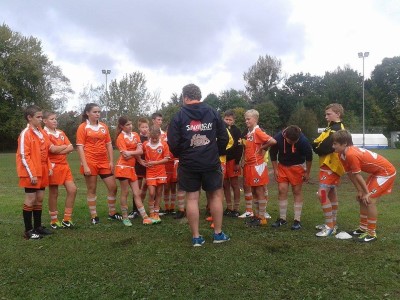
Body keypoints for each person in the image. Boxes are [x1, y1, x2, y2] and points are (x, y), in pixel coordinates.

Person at [167, 83, 230, 246]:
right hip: (210, 161)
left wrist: (183, 154)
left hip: (189, 163)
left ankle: (196, 237)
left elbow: (173, 142)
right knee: (215, 196)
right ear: (198, 96)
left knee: (192, 198)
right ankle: (218, 234)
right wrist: (216, 152)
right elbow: (224, 137)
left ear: (185, 97)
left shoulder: (179, 116)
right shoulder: (213, 112)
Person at [332, 130, 396, 242]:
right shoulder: (341, 154)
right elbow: (351, 174)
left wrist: (366, 193)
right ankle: (362, 228)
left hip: (386, 172)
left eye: (335, 144)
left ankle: (371, 234)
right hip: (377, 173)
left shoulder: (351, 154)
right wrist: (360, 191)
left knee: (369, 200)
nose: (333, 146)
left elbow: (358, 175)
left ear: (345, 143)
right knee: (362, 199)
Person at [76, 103, 121, 224]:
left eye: (99, 112)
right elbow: (80, 147)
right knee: (92, 188)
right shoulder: (82, 127)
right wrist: (85, 165)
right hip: (90, 161)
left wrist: (111, 161)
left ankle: (112, 213)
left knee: (113, 187)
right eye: (95, 112)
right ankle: (94, 215)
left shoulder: (103, 126)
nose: (98, 114)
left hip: (103, 161)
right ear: (87, 113)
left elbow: (109, 144)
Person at [16, 105, 53, 239]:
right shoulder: (26, 133)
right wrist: (31, 174)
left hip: (42, 170)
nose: (41, 119)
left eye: (41, 116)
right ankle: (28, 230)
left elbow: (46, 151)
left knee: (39, 199)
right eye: (38, 117)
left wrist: (48, 166)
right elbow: (24, 155)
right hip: (30, 172)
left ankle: (38, 227)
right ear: (29, 118)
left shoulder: (41, 131)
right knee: (30, 199)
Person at [115, 116, 157, 226]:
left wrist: (133, 154)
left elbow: (139, 150)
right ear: (121, 126)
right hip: (122, 168)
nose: (130, 126)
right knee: (125, 192)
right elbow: (124, 155)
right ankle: (125, 217)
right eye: (127, 125)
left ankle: (145, 217)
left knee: (137, 193)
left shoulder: (135, 135)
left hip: (132, 168)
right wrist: (133, 153)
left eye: (131, 124)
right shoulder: (120, 137)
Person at [270, 125, 313, 230]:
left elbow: (309, 157)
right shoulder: (278, 138)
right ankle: (282, 218)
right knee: (282, 190)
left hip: (297, 167)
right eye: (290, 142)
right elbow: (273, 154)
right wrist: (275, 169)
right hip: (282, 166)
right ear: (285, 136)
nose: (293, 144)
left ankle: (297, 220)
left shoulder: (303, 141)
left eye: (295, 141)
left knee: (296, 191)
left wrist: (307, 172)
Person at [312, 103, 345, 237]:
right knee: (331, 194)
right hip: (328, 165)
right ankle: (333, 223)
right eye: (325, 114)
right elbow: (315, 144)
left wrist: (318, 146)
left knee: (322, 194)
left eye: (329, 114)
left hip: (331, 166)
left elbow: (322, 148)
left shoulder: (337, 130)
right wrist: (318, 146)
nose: (326, 117)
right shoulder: (330, 128)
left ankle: (330, 226)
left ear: (338, 114)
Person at [242, 109, 277, 227]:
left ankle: (262, 218)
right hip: (250, 165)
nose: (246, 121)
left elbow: (272, 141)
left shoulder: (257, 131)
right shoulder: (249, 132)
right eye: (245, 119)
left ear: (255, 119)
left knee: (259, 190)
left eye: (248, 119)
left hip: (257, 166)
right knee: (253, 191)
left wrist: (262, 148)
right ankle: (257, 216)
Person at [43, 111, 77, 229]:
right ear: (45, 121)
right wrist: (64, 148)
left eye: (55, 119)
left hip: (64, 165)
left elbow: (71, 147)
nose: (55, 121)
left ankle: (67, 219)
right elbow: (52, 150)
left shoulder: (61, 133)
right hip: (53, 166)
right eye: (52, 119)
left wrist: (60, 149)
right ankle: (53, 220)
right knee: (54, 192)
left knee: (72, 190)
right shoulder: (44, 134)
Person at [138, 127, 170, 223]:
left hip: (161, 172)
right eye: (152, 138)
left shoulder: (164, 144)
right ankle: (151, 212)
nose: (154, 139)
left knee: (159, 193)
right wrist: (140, 161)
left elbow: (167, 158)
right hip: (150, 172)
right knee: (152, 193)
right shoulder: (145, 144)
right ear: (149, 136)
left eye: (156, 138)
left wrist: (155, 163)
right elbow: (138, 152)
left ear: (159, 136)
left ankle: (156, 213)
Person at [222, 110, 243, 217]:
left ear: (234, 121)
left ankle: (236, 208)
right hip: (222, 160)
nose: (228, 121)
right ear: (223, 119)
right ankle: (229, 207)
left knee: (235, 184)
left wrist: (237, 162)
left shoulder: (237, 131)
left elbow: (240, 147)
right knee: (225, 185)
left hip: (232, 160)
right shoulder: (220, 129)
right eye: (226, 119)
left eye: (230, 120)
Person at [130, 117, 150, 219]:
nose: (145, 129)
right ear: (139, 127)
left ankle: (147, 208)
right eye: (142, 127)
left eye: (146, 127)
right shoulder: (136, 138)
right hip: (138, 166)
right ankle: (135, 210)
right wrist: (140, 161)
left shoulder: (151, 138)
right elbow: (135, 151)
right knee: (136, 189)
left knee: (148, 187)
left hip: (148, 166)